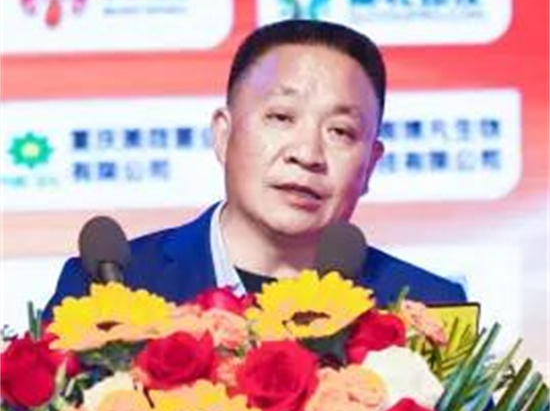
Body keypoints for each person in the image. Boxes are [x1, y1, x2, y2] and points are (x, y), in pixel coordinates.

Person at [43, 19, 466, 320]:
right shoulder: (110, 286)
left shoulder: (426, 307)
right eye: (281, 117)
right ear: (223, 135)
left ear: (370, 164)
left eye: (340, 131)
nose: (307, 153)